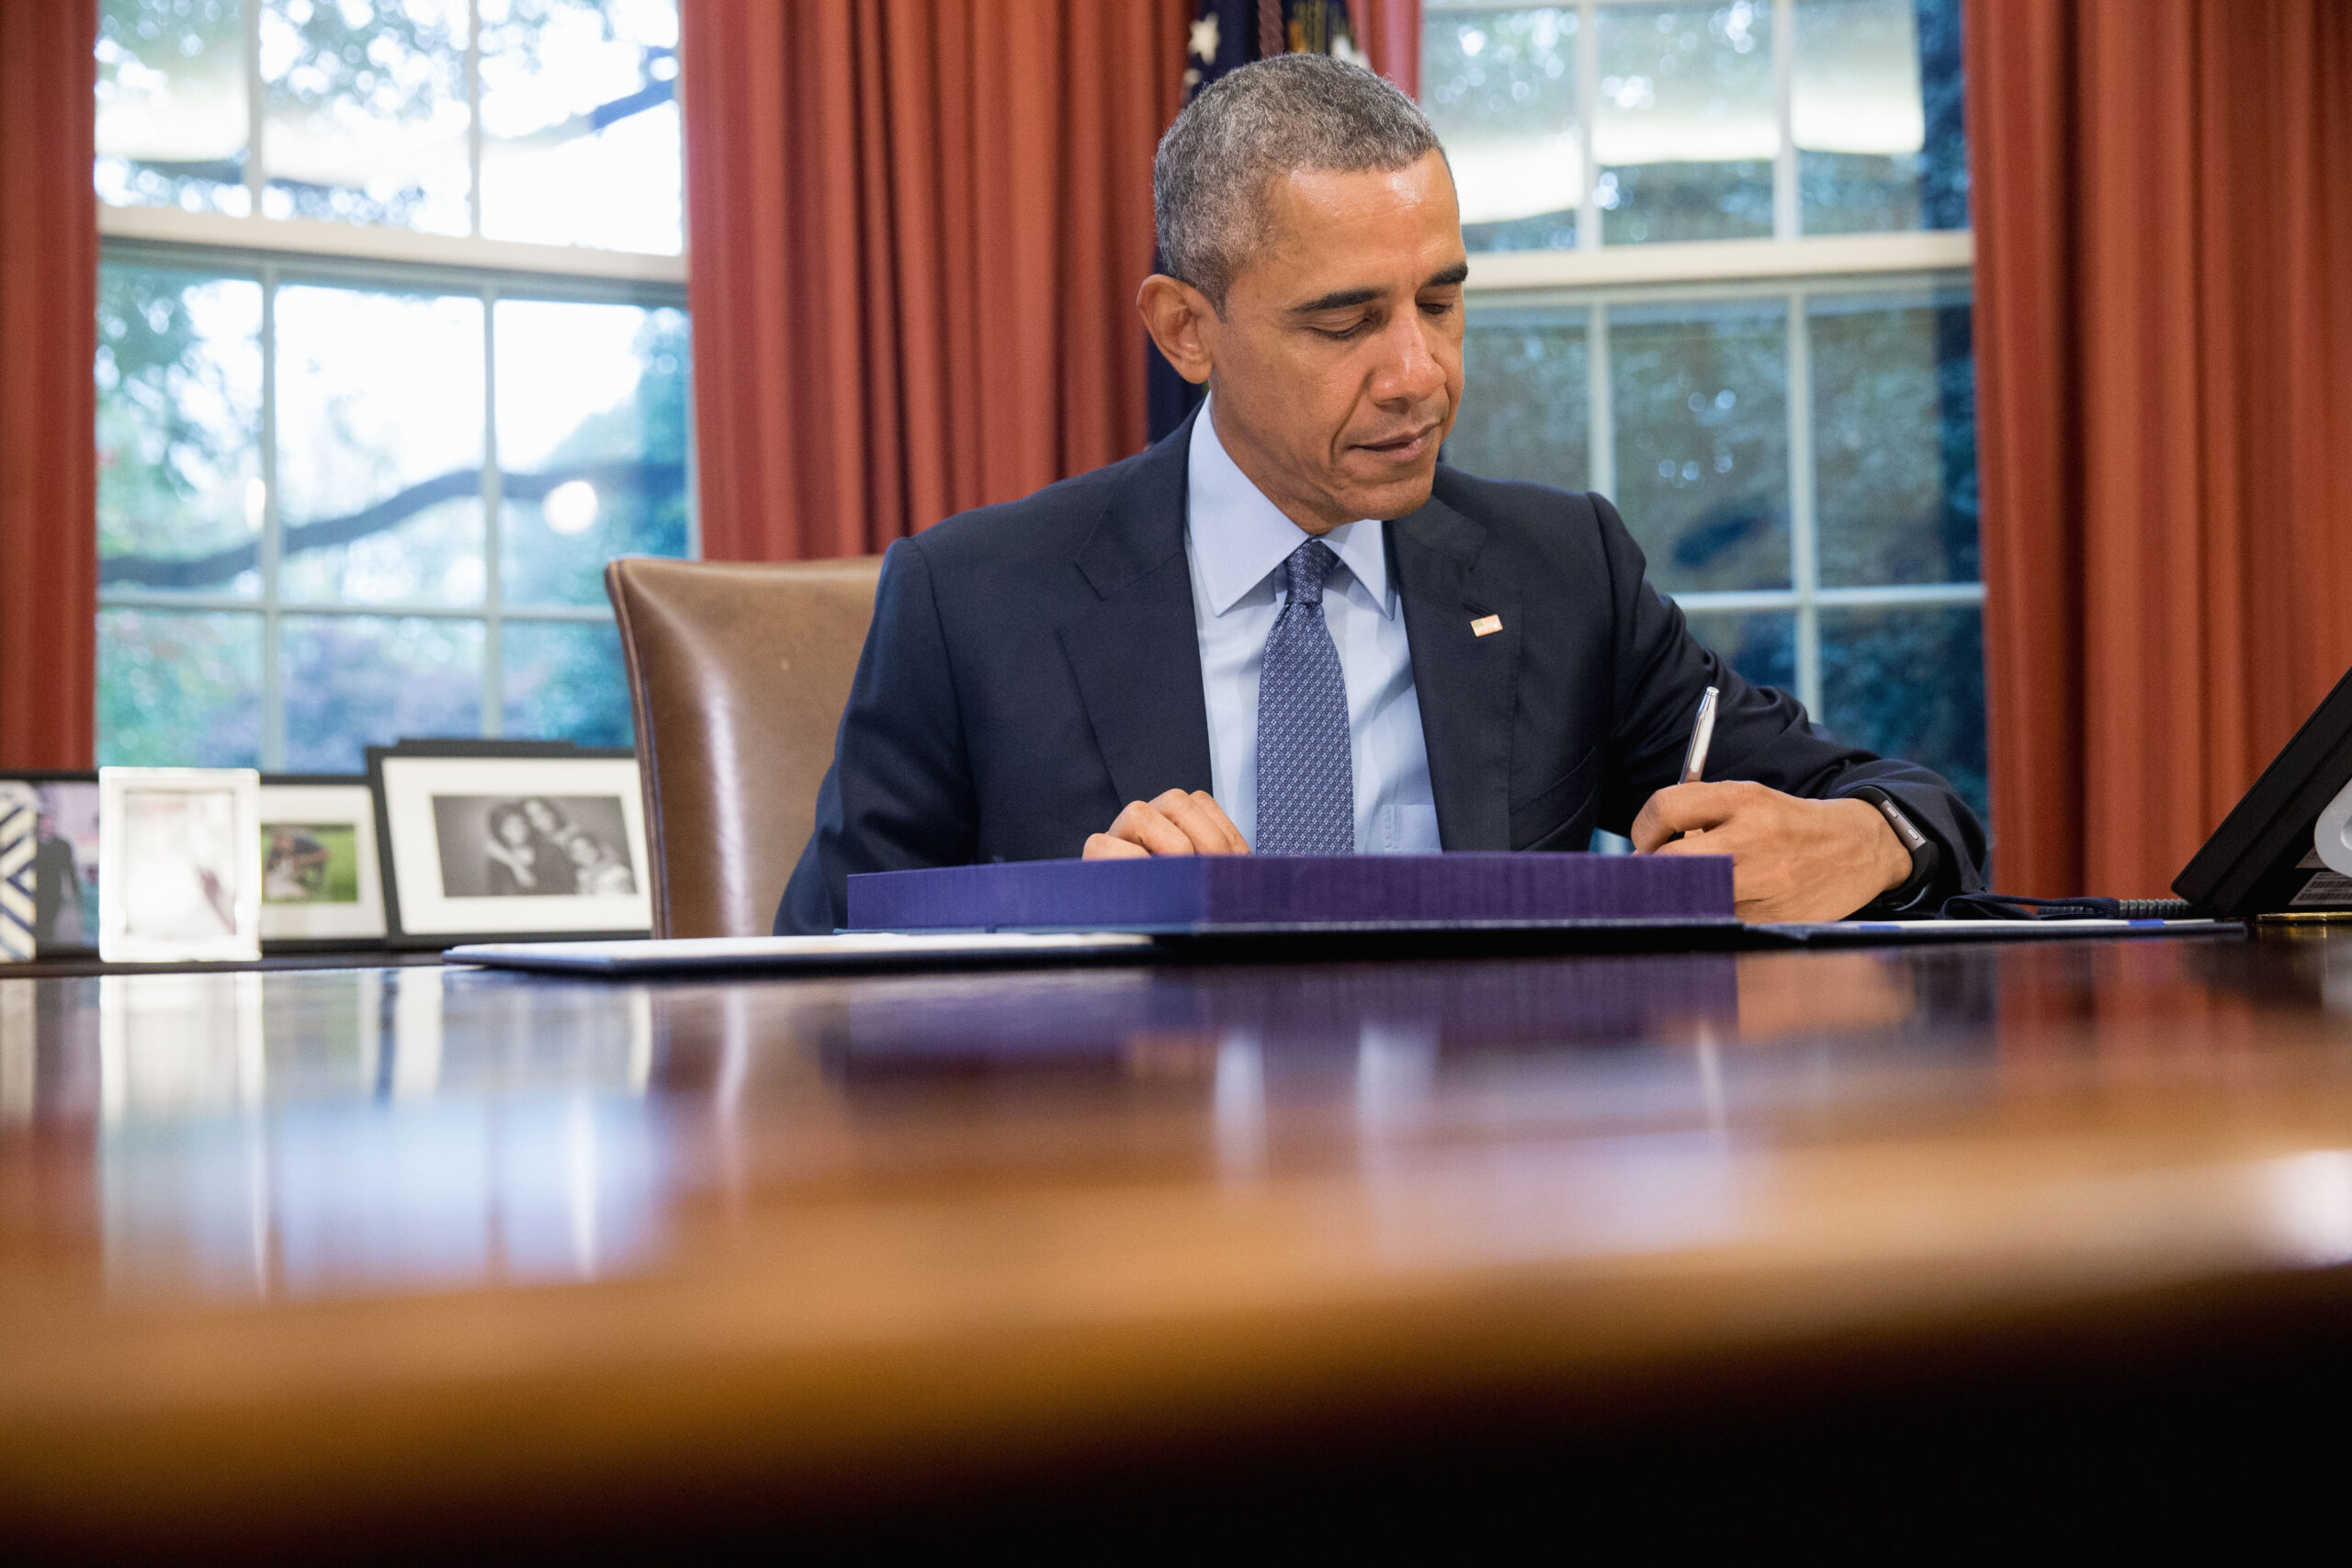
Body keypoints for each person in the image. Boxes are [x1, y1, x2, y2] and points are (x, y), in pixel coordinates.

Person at [777, 55, 1985, 935]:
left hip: (1484, 1188)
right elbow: (820, 972)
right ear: (1187, 329)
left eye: (1440, 303)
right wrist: (1064, 927)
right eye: (1345, 321)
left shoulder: (1563, 571)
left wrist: (1863, 841)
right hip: (1141, 1187)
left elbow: (1905, 802)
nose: (1419, 373)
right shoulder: (973, 600)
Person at [518, 796, 581, 896]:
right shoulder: (533, 845)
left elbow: (605, 856)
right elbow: (493, 845)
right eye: (532, 816)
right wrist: (514, 864)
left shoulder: (573, 831)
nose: (541, 818)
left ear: (552, 811)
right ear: (527, 822)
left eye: (543, 811)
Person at [483, 802, 543, 896]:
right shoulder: (497, 861)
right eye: (509, 825)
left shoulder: (549, 850)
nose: (518, 829)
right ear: (499, 831)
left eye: (521, 823)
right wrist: (515, 864)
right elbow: (496, 896)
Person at [563, 830, 636, 897]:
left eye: (587, 847)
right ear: (572, 856)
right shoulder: (581, 874)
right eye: (577, 851)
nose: (584, 853)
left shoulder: (617, 871)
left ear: (596, 848)